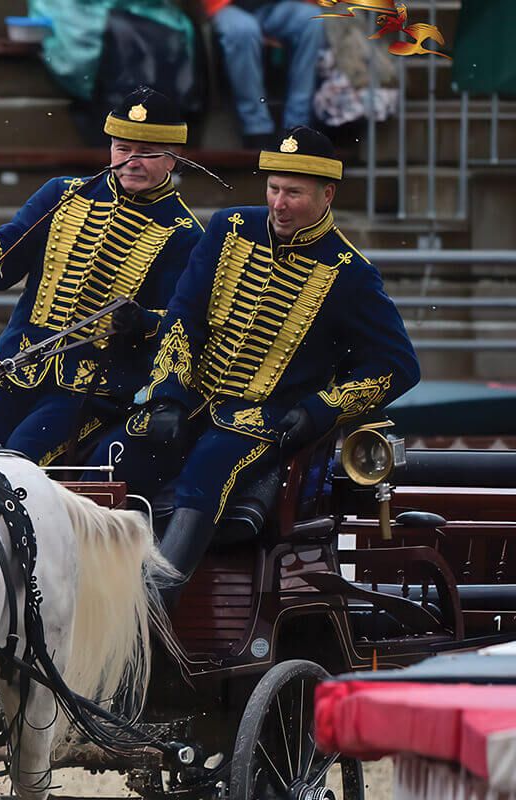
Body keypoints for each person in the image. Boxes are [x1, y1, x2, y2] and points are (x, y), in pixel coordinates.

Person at [90, 126, 420, 606]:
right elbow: (184, 318)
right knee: (111, 454)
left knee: (208, 469)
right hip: (191, 399)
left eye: (294, 193)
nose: (279, 203)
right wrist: (168, 395)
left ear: (327, 195)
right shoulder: (228, 228)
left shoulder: (351, 273)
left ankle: (153, 607)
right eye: (273, 189)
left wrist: (322, 409)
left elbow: (398, 365)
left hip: (262, 419)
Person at [0, 87, 206, 465]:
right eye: (122, 149)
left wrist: (140, 322)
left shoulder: (184, 233)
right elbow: (12, 239)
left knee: (13, 466)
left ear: (173, 159)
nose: (132, 162)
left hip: (90, 391)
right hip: (14, 365)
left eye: (146, 153)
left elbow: (178, 323)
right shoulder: (63, 193)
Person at [205, 0, 324, 148]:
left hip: (274, 7)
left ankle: (297, 128)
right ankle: (256, 129)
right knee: (243, 30)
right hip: (228, 6)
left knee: (312, 19)